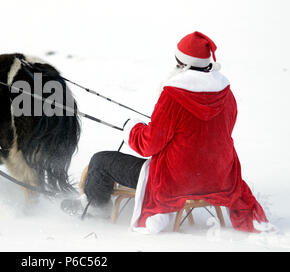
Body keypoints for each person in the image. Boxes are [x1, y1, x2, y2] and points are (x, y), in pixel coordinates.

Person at [62, 31, 271, 234]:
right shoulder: (226, 93)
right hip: (220, 178)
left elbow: (149, 145)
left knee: (100, 161)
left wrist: (132, 129)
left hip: (175, 182)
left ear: (182, 64)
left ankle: (96, 209)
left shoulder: (173, 96)